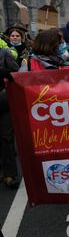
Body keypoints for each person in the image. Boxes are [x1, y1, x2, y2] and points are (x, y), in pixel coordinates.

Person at [0, 47, 20, 189]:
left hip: (2, 99)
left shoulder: (3, 51)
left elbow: (15, 71)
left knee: (6, 138)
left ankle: (9, 175)